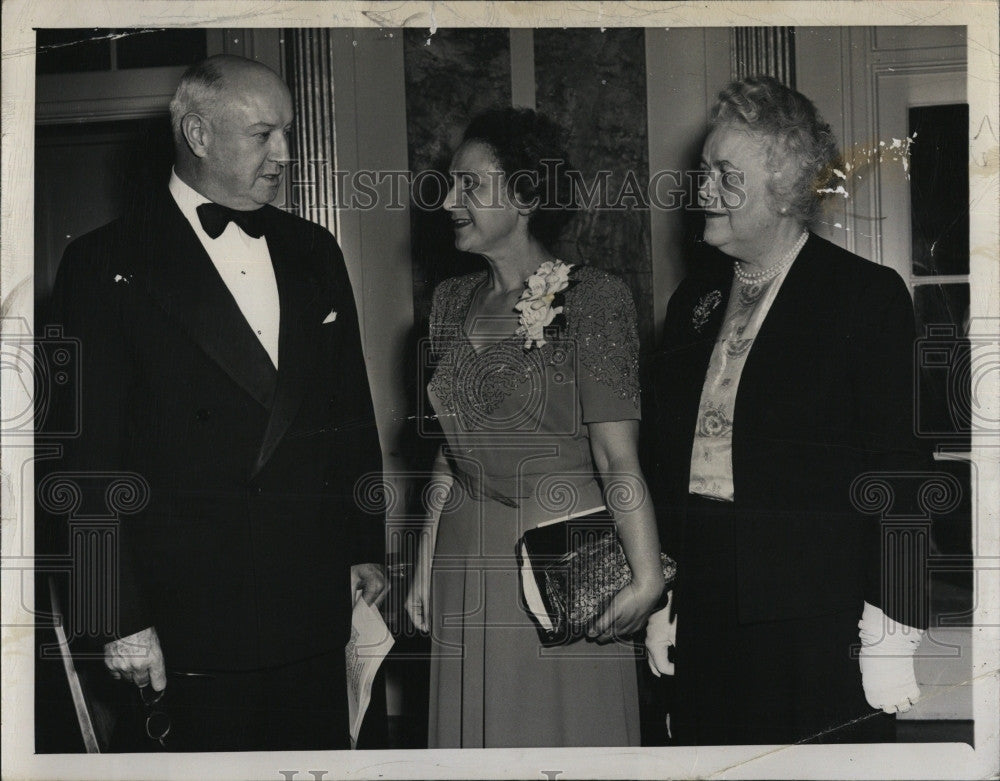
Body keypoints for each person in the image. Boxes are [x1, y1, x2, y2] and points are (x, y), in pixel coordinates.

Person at [42, 54, 386, 751]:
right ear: (197, 135)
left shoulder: (314, 250)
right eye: (264, 135)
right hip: (186, 616)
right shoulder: (104, 262)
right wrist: (116, 615)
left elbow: (349, 412)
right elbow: (85, 458)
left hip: (312, 604)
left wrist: (363, 545)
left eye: (287, 132)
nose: (285, 155)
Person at [646, 75, 929, 745]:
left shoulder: (864, 297)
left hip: (818, 624)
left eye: (724, 174)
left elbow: (907, 469)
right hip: (711, 608)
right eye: (702, 170)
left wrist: (895, 627)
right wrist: (669, 594)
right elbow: (673, 458)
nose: (702, 189)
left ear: (782, 190)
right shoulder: (695, 298)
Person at [405, 107, 664, 748]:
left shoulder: (594, 299)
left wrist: (647, 574)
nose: (449, 201)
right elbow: (444, 455)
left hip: (558, 560)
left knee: (559, 732)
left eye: (470, 184)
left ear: (524, 195)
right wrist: (422, 561)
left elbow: (616, 459)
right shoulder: (446, 304)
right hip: (463, 555)